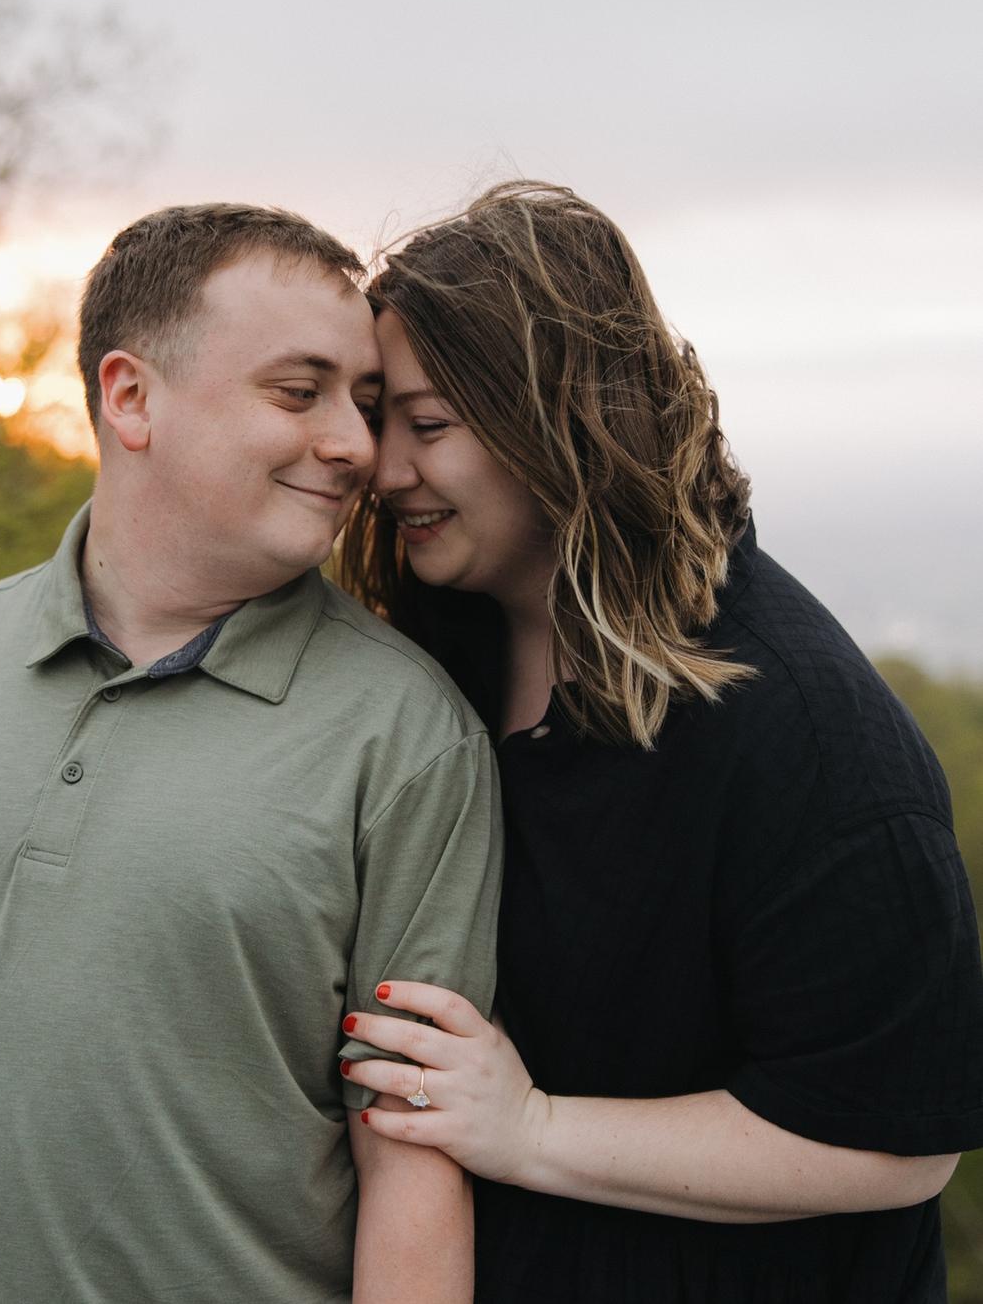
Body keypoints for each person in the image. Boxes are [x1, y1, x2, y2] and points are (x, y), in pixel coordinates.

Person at [0, 203, 504, 1303]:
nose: (355, 446)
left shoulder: (409, 735)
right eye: (300, 392)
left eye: (365, 403)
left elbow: (413, 1164)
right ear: (130, 396)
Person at [337, 181, 983, 1302]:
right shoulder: (443, 642)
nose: (384, 470)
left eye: (428, 425)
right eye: (377, 418)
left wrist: (530, 1128)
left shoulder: (805, 731)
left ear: (560, 421)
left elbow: (896, 1143)